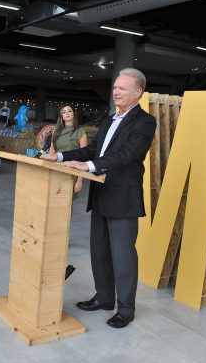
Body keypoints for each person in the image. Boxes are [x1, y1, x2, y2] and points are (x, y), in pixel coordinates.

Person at [41, 68, 156, 328]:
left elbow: (127, 155)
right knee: (99, 251)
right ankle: (104, 298)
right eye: (115, 87)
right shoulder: (109, 119)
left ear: (138, 92)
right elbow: (92, 149)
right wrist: (60, 157)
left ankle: (126, 309)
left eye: (122, 88)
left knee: (123, 256)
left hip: (123, 198)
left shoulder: (145, 122)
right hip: (101, 193)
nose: (116, 91)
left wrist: (89, 166)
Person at [50, 104, 88, 196]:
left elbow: (83, 157)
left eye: (69, 111)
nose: (67, 113)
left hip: (72, 171)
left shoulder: (80, 132)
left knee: (67, 200)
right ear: (61, 116)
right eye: (64, 112)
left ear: (74, 114)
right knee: (54, 199)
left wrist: (80, 180)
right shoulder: (56, 131)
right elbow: (52, 151)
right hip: (56, 169)